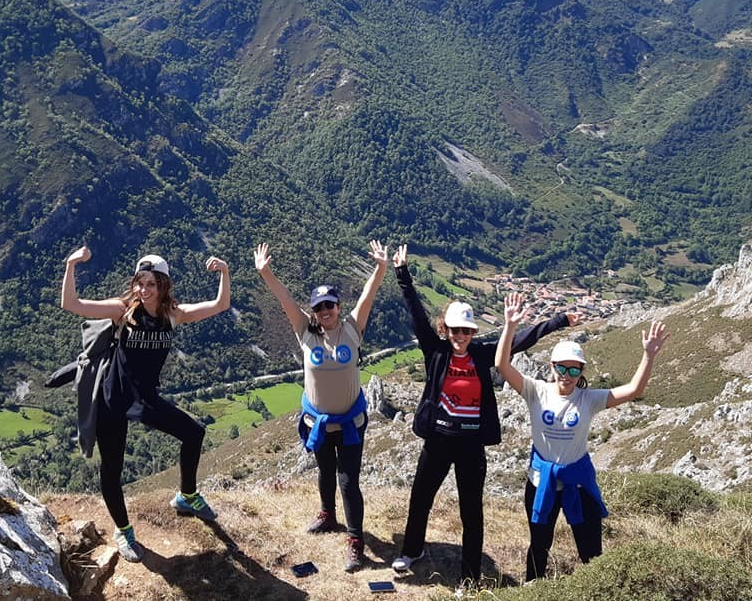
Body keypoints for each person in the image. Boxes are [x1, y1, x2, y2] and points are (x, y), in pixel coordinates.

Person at [390, 245, 579, 586]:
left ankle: (469, 577)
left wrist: (559, 321)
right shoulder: (435, 351)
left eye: (466, 331)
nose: (460, 337)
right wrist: (402, 273)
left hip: (470, 446)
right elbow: (416, 313)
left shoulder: (482, 354)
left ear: (474, 333)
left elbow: (522, 340)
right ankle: (412, 550)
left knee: (471, 514)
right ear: (445, 330)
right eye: (454, 331)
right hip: (437, 440)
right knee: (420, 498)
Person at [60, 245, 230, 562]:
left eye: (151, 283)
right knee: (112, 469)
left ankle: (187, 496)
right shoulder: (122, 310)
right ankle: (123, 532)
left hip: (146, 399)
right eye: (140, 281)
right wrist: (72, 266)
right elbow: (71, 304)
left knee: (194, 433)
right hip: (113, 398)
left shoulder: (171, 314)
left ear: (163, 285)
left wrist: (224, 272)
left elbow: (221, 305)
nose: (143, 288)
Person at [495, 293, 668, 582]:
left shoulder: (589, 399)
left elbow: (634, 390)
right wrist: (510, 325)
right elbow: (502, 365)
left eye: (573, 369)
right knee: (539, 546)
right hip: (541, 482)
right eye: (561, 367)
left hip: (578, 482)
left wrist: (648, 355)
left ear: (581, 371)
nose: (567, 374)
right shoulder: (535, 390)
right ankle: (533, 590)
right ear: (551, 367)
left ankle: (594, 590)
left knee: (591, 552)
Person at [254, 240, 388, 572]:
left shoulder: (353, 328)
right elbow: (284, 299)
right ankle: (327, 514)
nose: (325, 312)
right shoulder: (306, 333)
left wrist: (381, 267)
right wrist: (265, 272)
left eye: (329, 305)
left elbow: (368, 296)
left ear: (338, 307)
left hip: (351, 422)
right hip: (317, 422)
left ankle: (355, 542)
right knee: (325, 471)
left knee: (348, 480)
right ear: (313, 311)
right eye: (319, 307)